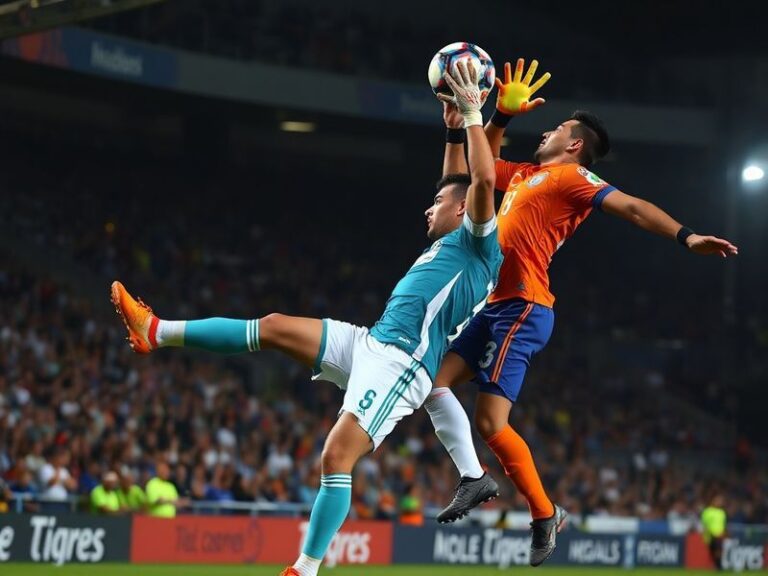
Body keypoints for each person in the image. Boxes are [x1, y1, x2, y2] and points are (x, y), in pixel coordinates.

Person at [111, 61, 502, 576]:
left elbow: (479, 180)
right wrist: (454, 123)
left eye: (437, 203)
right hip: (370, 342)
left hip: (402, 364)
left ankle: (305, 569)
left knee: (335, 458)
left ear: (461, 211)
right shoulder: (455, 237)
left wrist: (476, 113)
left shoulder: (478, 246)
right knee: (272, 325)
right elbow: (456, 177)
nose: (428, 208)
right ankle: (156, 332)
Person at [422, 58, 739, 567]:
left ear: (573, 145)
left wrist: (687, 236)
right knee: (430, 384)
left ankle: (544, 512)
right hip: (492, 304)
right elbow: (468, 177)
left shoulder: (572, 178)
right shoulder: (525, 175)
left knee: (488, 420)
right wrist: (483, 119)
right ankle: (476, 478)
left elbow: (632, 207)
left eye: (556, 128)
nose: (544, 131)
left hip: (522, 306)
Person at [701, 494, 727, 570]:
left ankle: (719, 565)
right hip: (710, 534)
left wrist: (724, 532)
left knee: (718, 550)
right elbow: (704, 525)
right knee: (712, 551)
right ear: (712, 501)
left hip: (719, 534)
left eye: (720, 501)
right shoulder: (707, 511)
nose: (719, 502)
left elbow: (723, 524)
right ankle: (717, 565)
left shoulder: (722, 512)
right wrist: (705, 535)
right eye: (717, 500)